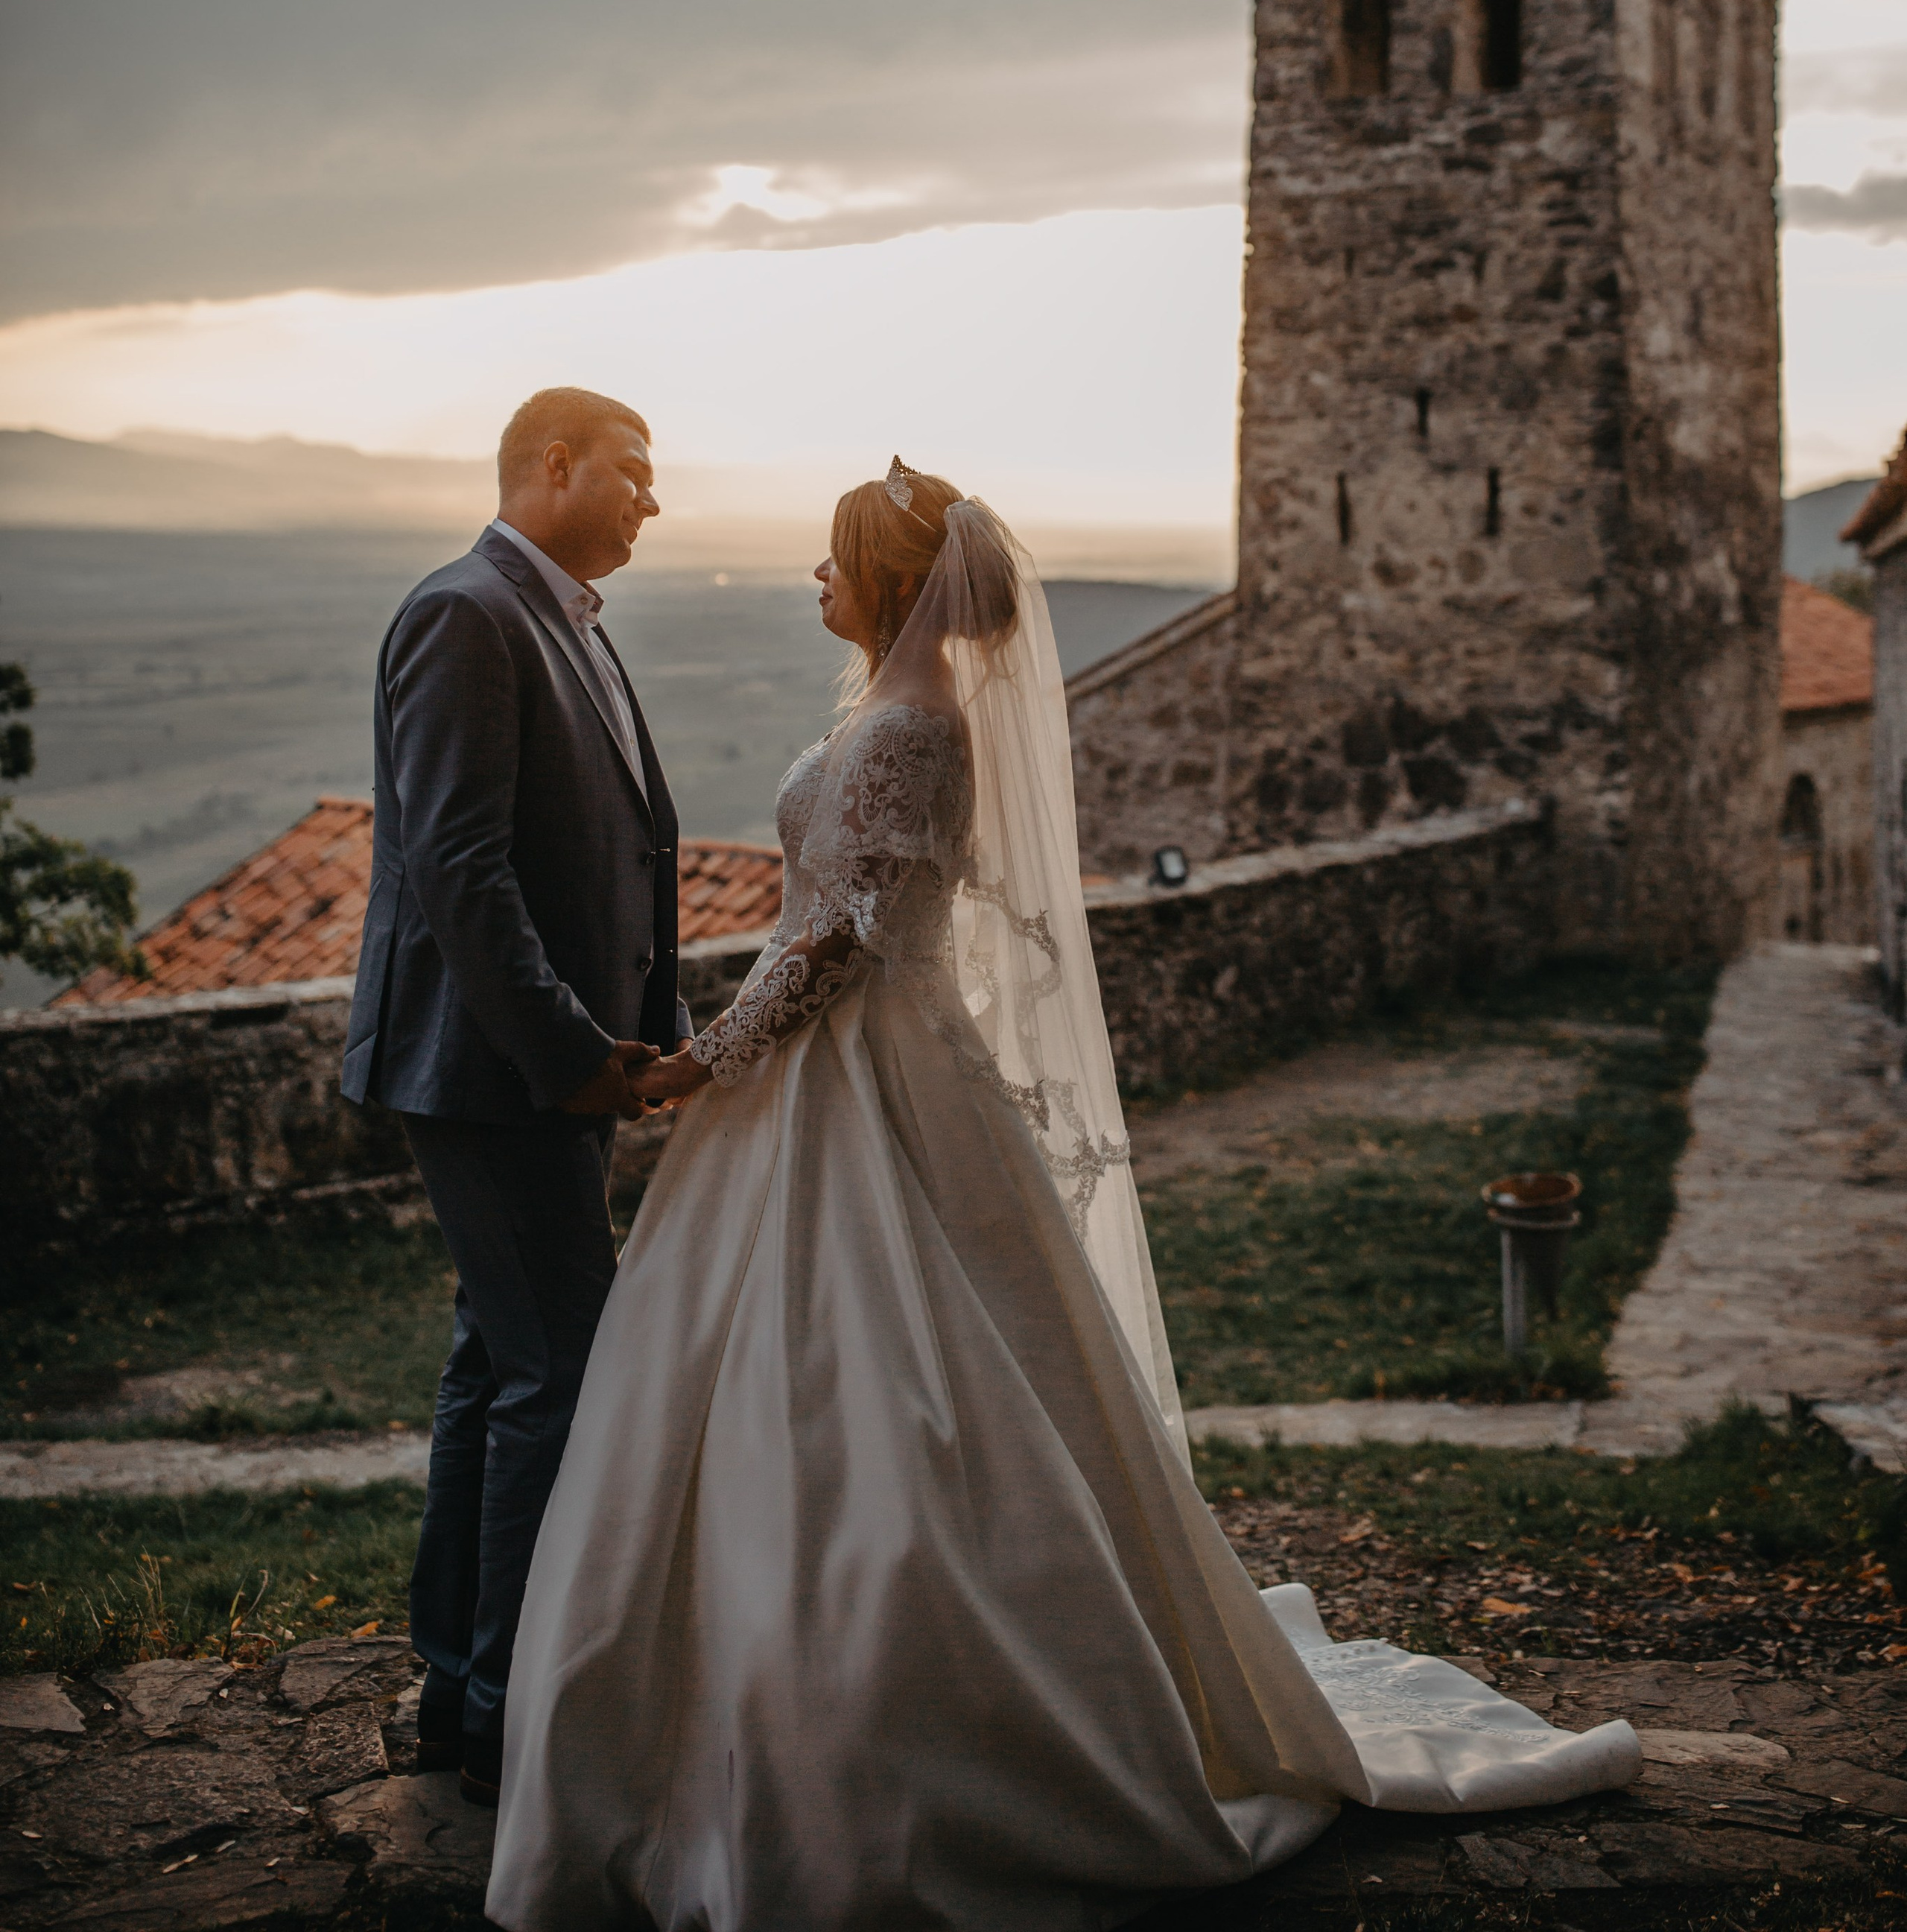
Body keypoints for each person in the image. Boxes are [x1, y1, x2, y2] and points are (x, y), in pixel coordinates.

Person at [489, 464, 1638, 1930]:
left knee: (900, 1386)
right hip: (838, 1079)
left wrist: (695, 1067)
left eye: (832, 564)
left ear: (889, 583)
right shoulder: (884, 716)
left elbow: (837, 940)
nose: (815, 584)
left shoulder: (910, 730)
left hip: (871, 1078)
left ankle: (930, 1733)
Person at [340, 386, 689, 1808]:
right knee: (558, 1370)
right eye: (635, 473)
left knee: (501, 1366)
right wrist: (572, 1057)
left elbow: (622, 856)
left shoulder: (568, 624)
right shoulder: (466, 616)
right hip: (490, 1078)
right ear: (557, 466)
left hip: (547, 1074)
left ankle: (453, 1683)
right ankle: (501, 1706)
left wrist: (648, 1031)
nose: (653, 502)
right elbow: (460, 872)